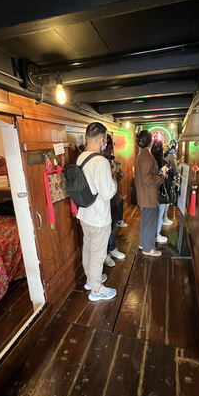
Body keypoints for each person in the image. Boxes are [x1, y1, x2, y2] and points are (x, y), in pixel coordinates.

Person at [77, 122, 117, 301]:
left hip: (84, 214)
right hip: (99, 217)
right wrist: (114, 180)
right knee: (98, 253)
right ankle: (96, 289)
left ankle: (90, 280)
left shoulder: (81, 157)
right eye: (105, 140)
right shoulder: (101, 162)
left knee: (88, 248)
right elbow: (108, 192)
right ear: (102, 139)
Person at [135, 130, 167, 257]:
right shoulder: (147, 158)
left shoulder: (140, 155)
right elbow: (147, 178)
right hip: (149, 195)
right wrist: (161, 177)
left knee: (145, 220)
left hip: (143, 194)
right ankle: (148, 248)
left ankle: (143, 243)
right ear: (150, 142)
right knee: (150, 221)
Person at [102, 134, 126, 268]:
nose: (111, 152)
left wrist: (118, 176)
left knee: (112, 227)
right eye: (110, 148)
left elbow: (114, 183)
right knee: (107, 229)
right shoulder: (100, 163)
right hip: (107, 202)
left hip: (115, 199)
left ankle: (112, 248)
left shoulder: (109, 162)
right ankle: (105, 254)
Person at [151, 140, 168, 243]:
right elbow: (165, 177)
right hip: (160, 191)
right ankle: (157, 234)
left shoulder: (150, 160)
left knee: (151, 215)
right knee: (160, 213)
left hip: (150, 191)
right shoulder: (163, 162)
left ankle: (152, 234)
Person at [163, 140, 179, 224]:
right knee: (167, 200)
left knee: (164, 200)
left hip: (164, 180)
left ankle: (162, 217)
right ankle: (164, 218)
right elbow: (175, 171)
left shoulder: (165, 154)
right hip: (169, 180)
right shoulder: (172, 157)